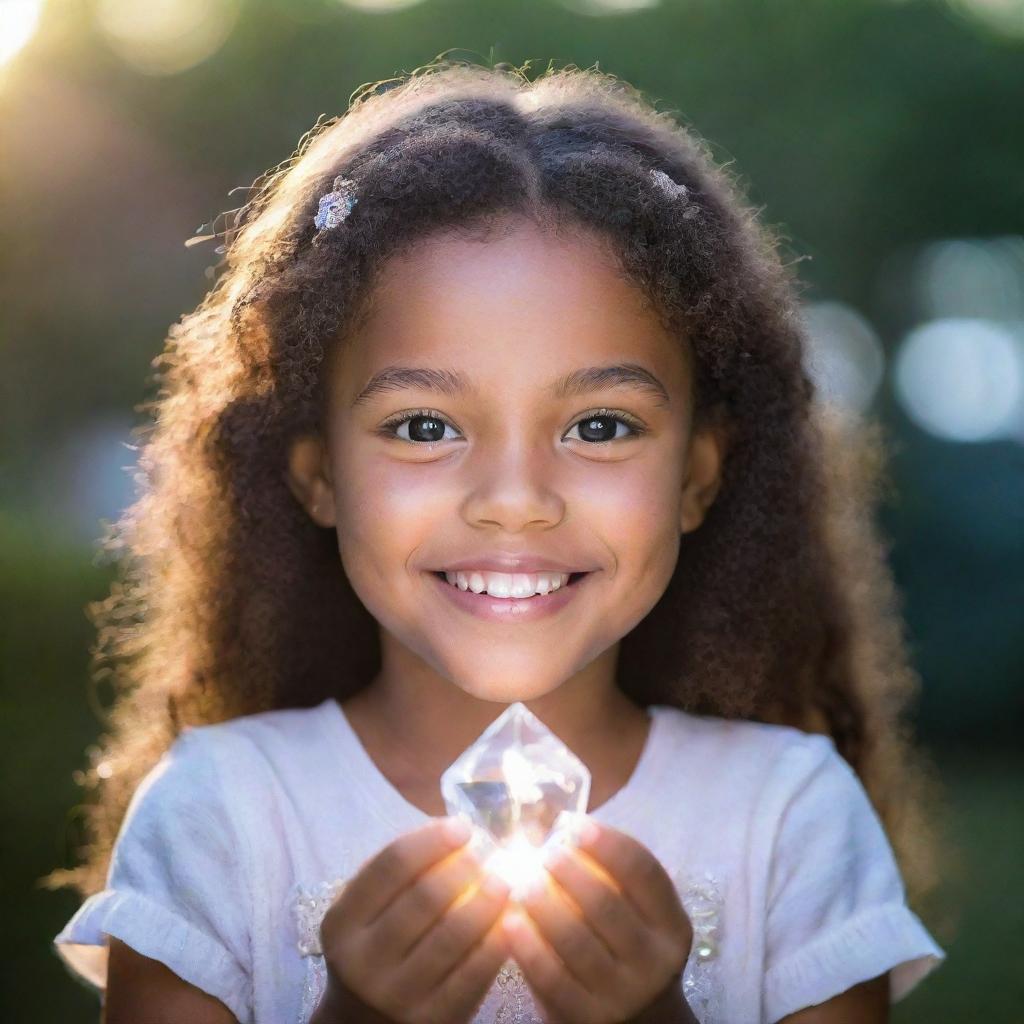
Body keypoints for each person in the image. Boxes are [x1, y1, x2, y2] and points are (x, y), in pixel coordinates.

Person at [46, 58, 949, 1024]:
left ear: (698, 475)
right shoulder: (218, 817)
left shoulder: (789, 822)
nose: (514, 502)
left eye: (599, 426)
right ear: (315, 475)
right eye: (424, 427)